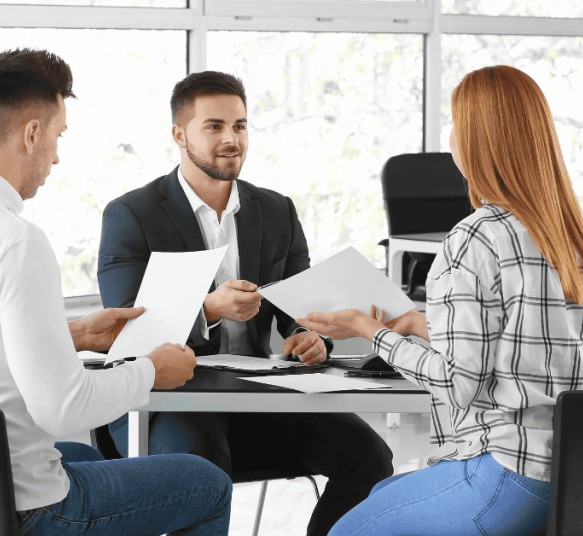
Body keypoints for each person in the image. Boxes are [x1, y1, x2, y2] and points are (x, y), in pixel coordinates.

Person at [0, 48, 231, 536]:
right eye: (59, 136)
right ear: (31, 133)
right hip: (25, 509)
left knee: (82, 457)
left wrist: (78, 334)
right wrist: (151, 370)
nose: (57, 155)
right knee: (206, 484)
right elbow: (64, 408)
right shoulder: (14, 239)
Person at [298, 65, 583, 536]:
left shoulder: (474, 238)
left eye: (456, 123)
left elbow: (457, 382)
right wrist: (422, 326)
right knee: (383, 495)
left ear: (481, 139)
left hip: (505, 473)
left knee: (345, 532)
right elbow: (533, 345)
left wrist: (372, 332)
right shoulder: (565, 233)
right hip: (572, 474)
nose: (450, 137)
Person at [97, 70, 393, 536]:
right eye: (214, 126)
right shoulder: (131, 214)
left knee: (370, 455)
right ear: (180, 134)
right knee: (200, 469)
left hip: (256, 396)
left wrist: (308, 337)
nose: (231, 138)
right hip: (169, 399)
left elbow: (298, 308)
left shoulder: (276, 211)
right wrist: (208, 310)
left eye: (239, 125)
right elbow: (124, 328)